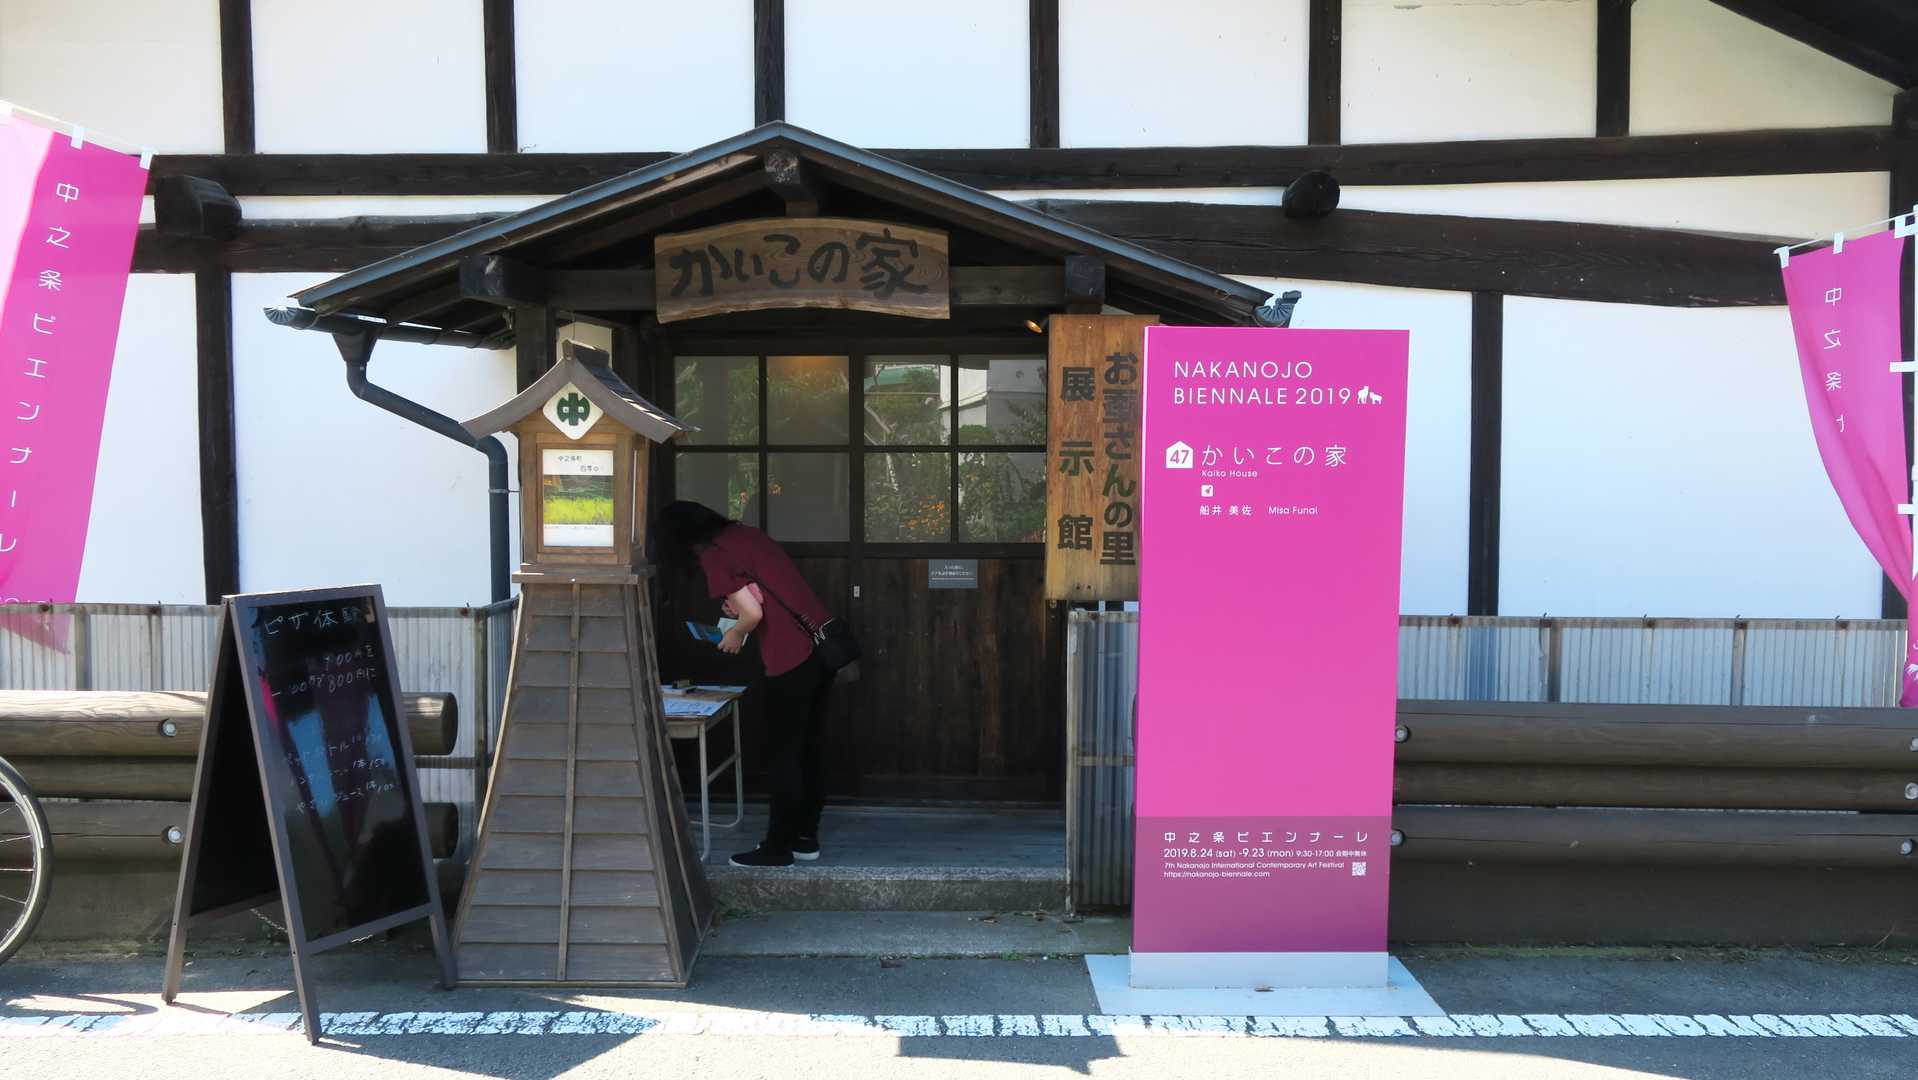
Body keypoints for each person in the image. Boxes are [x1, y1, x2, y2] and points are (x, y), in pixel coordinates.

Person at [659, 500, 834, 868]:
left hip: (790, 657)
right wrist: (741, 610)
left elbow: (753, 614)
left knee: (785, 755)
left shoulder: (714, 555)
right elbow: (763, 595)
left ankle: (777, 847)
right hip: (820, 648)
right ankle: (805, 838)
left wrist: (736, 633)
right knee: (809, 749)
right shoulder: (747, 536)